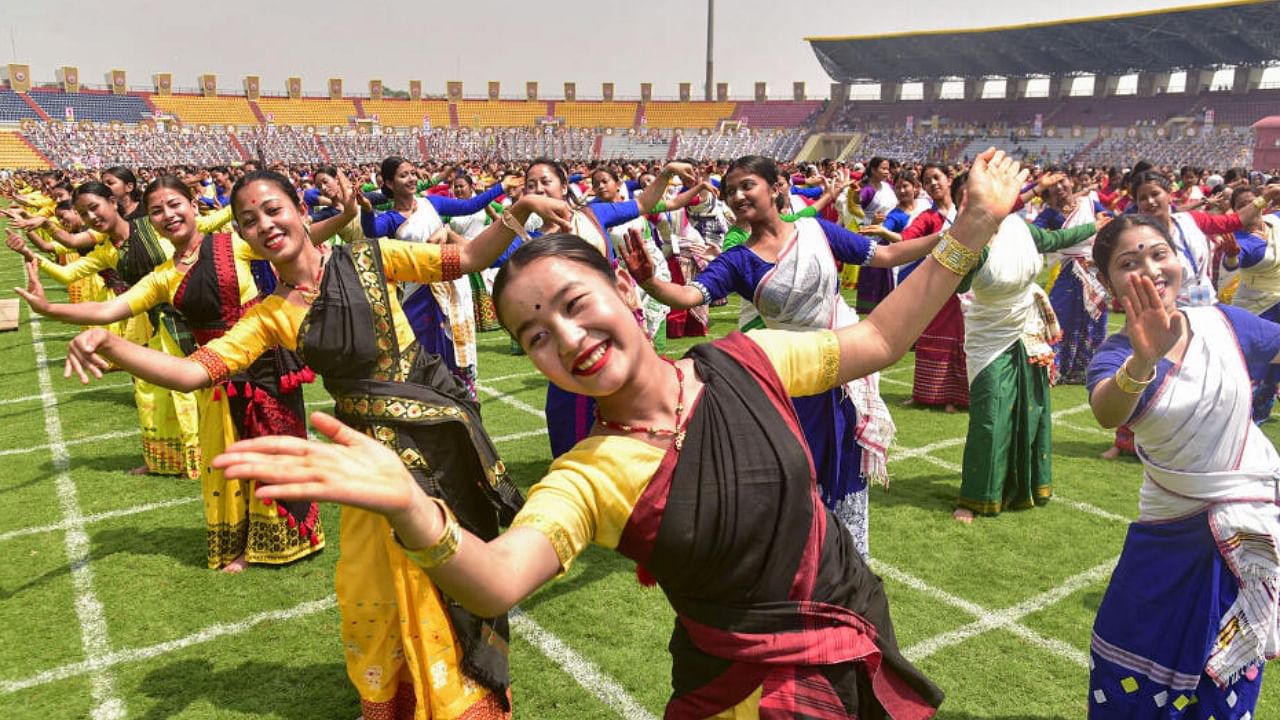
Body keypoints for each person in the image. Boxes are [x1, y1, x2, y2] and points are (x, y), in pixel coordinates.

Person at [212, 147, 1029, 720]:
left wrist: (974, 228)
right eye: (535, 336)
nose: (565, 340)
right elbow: (496, 581)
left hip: (857, 643)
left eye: (574, 305)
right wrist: (418, 513)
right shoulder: (589, 474)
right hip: (738, 697)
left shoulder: (750, 359)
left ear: (617, 288)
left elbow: (881, 339)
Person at [60, 169, 571, 719]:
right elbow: (192, 374)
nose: (264, 225)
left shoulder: (372, 257)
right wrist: (110, 343)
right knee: (370, 580)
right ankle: (396, 691)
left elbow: (466, 259)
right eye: (249, 220)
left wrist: (522, 208)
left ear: (301, 213)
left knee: (450, 558)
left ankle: (459, 694)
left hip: (436, 429)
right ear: (245, 237)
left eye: (273, 209)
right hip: (368, 458)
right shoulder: (271, 316)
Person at [621, 156, 940, 559]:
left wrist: (954, 239)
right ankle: (802, 563)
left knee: (844, 470)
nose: (737, 196)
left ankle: (849, 563)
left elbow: (888, 256)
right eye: (730, 190)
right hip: (791, 380)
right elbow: (688, 296)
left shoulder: (815, 231)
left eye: (747, 186)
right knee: (795, 473)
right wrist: (649, 280)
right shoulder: (738, 259)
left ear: (777, 187)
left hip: (845, 369)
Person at [13, 176, 325, 572]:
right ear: (151, 219)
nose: (168, 215)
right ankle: (247, 540)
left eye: (174, 204)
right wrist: (51, 310)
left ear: (192, 204)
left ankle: (289, 536)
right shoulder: (163, 276)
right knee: (232, 458)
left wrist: (345, 216)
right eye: (157, 210)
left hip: (267, 363)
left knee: (275, 451)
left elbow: (294, 239)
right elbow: (111, 309)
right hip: (215, 369)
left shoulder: (234, 243)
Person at [1085, 214, 1280, 719]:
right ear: (1107, 282)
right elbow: (1108, 410)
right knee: (1132, 670)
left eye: (1159, 253)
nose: (1149, 269)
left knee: (1228, 670)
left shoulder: (1226, 325)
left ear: (1180, 259)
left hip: (1246, 533)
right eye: (1129, 263)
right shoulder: (1115, 354)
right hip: (1169, 535)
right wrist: (1142, 362)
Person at [950, 173, 1101, 521]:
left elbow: (1054, 239)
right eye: (969, 200)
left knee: (1031, 408)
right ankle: (975, 497)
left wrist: (1094, 228)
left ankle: (1024, 485)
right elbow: (960, 283)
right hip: (989, 333)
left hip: (1027, 326)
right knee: (990, 415)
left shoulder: (1019, 228)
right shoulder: (967, 241)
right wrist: (972, 241)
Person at [1099, 173, 1280, 459]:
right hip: (1156, 316)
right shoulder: (1131, 235)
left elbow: (1233, 221)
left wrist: (1264, 198)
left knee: (1210, 377)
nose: (1149, 201)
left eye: (1155, 193)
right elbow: (1104, 409)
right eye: (1142, 197)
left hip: (1203, 311)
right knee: (1148, 374)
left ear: (1170, 193)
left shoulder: (1192, 221)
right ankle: (1126, 443)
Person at [358, 156, 511, 394]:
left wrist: (501, 187)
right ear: (388, 183)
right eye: (403, 175)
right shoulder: (390, 219)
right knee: (419, 347)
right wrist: (367, 211)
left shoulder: (431, 204)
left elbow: (469, 206)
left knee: (452, 345)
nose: (410, 179)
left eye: (412, 173)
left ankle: (461, 394)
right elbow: (370, 233)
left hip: (449, 288)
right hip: (417, 292)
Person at [897, 164, 969, 413]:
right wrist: (886, 233)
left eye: (937, 178)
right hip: (936, 285)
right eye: (928, 181)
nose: (934, 184)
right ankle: (925, 394)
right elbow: (908, 238)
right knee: (930, 337)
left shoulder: (965, 211)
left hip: (965, 286)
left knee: (958, 339)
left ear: (949, 179)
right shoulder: (928, 217)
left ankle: (954, 397)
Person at [1033, 170, 1110, 385]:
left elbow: (1111, 221)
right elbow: (1036, 234)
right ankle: (1056, 367)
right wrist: (1059, 240)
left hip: (1094, 270)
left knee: (1094, 317)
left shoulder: (1089, 204)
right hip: (1069, 270)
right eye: (1053, 185)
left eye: (1062, 182)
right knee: (1059, 315)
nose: (1059, 188)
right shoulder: (1049, 214)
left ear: (1071, 181)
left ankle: (1086, 368)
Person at [1222, 187, 1280, 423]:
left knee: (1274, 364)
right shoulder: (1242, 240)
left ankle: (1261, 409)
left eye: (1253, 201)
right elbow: (1232, 262)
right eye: (1242, 205)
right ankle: (1238, 412)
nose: (1251, 207)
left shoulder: (1274, 222)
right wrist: (1232, 256)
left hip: (1278, 304)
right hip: (1255, 309)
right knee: (1251, 362)